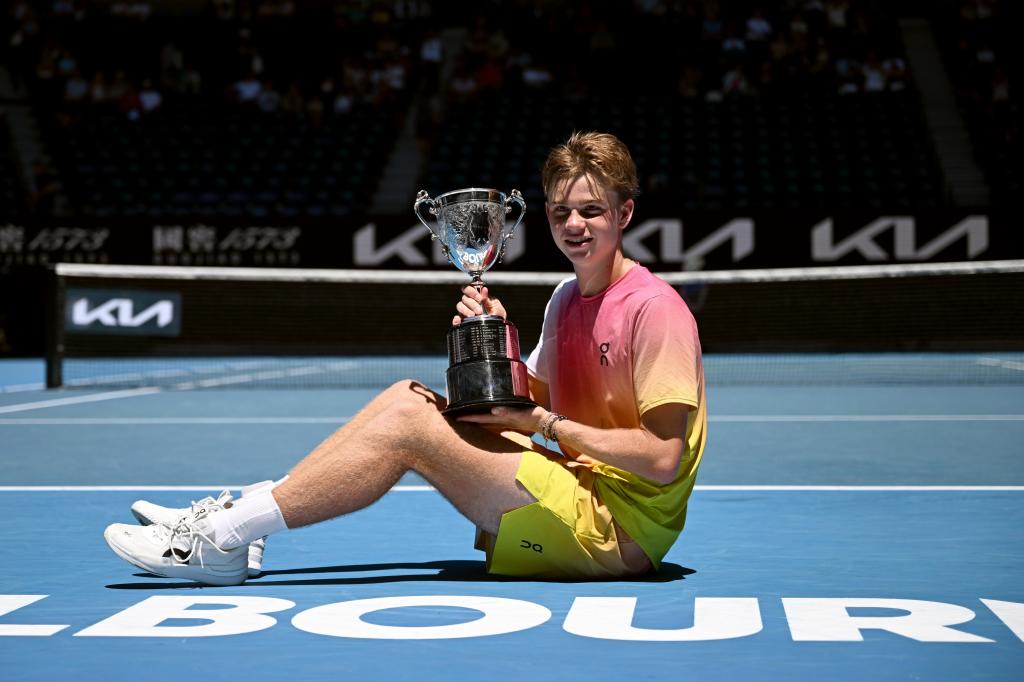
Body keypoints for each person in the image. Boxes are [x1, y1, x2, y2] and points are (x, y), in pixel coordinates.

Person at [104, 131, 707, 585]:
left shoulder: (654, 310)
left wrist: (540, 427)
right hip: (576, 487)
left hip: (617, 531)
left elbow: (660, 458)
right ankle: (247, 518)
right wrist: (496, 346)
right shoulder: (565, 299)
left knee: (408, 427)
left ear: (623, 214)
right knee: (406, 397)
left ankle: (218, 540)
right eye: (560, 211)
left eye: (592, 211)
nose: (574, 225)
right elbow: (533, 397)